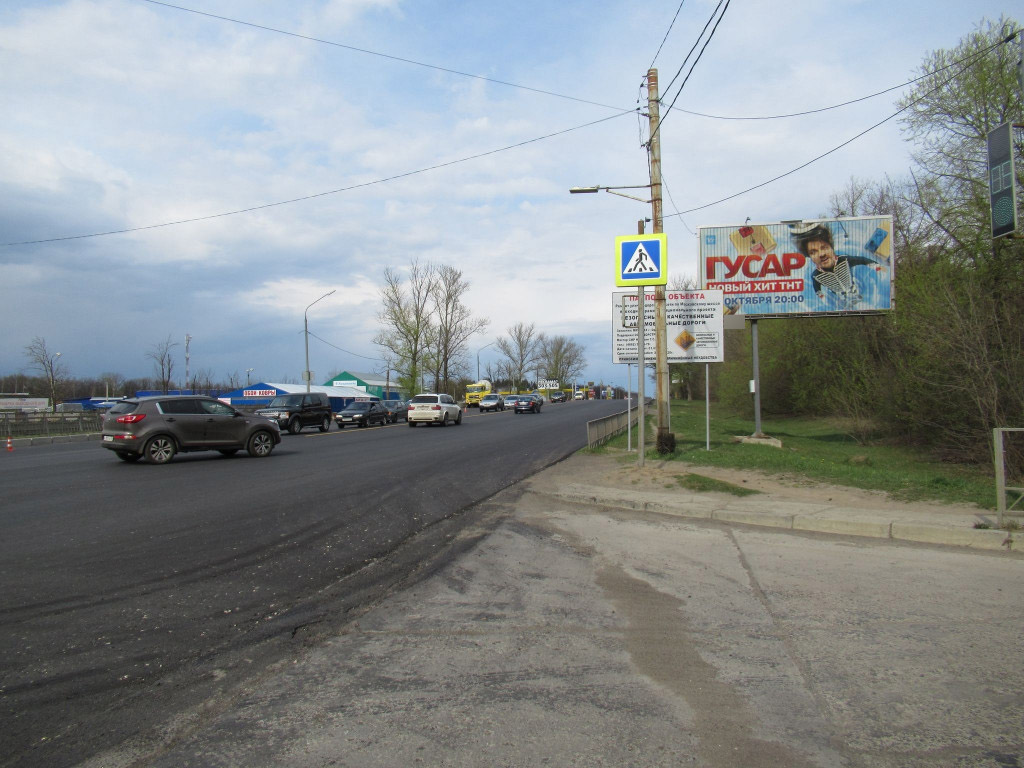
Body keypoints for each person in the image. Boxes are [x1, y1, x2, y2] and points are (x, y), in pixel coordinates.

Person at [791, 223, 885, 310]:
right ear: (809, 256)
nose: (821, 254)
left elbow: (861, 260)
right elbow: (817, 287)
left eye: (824, 247)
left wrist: (876, 266)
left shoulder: (844, 260)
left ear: (831, 247)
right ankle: (847, 300)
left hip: (852, 288)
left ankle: (854, 294)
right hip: (839, 294)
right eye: (813, 252)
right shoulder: (815, 275)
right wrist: (821, 295)